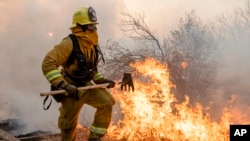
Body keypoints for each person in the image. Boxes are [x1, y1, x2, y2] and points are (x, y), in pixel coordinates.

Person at [41, 6, 115, 141]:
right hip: (71, 90)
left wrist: (102, 81)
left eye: (94, 25)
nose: (94, 28)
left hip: (86, 86)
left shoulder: (91, 44)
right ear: (81, 27)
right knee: (68, 126)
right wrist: (63, 85)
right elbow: (47, 63)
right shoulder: (68, 43)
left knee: (106, 103)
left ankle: (94, 138)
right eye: (91, 25)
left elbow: (92, 69)